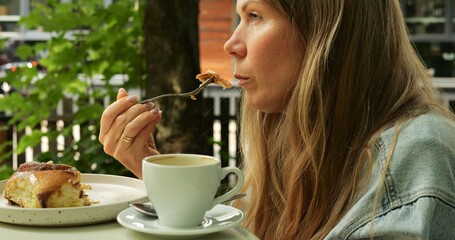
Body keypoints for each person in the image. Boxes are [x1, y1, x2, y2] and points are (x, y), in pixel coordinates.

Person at [99, 0, 455, 239]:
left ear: (326, 31)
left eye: (254, 16)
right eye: (239, 18)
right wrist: (157, 173)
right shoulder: (291, 138)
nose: (231, 44)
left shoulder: (417, 154)